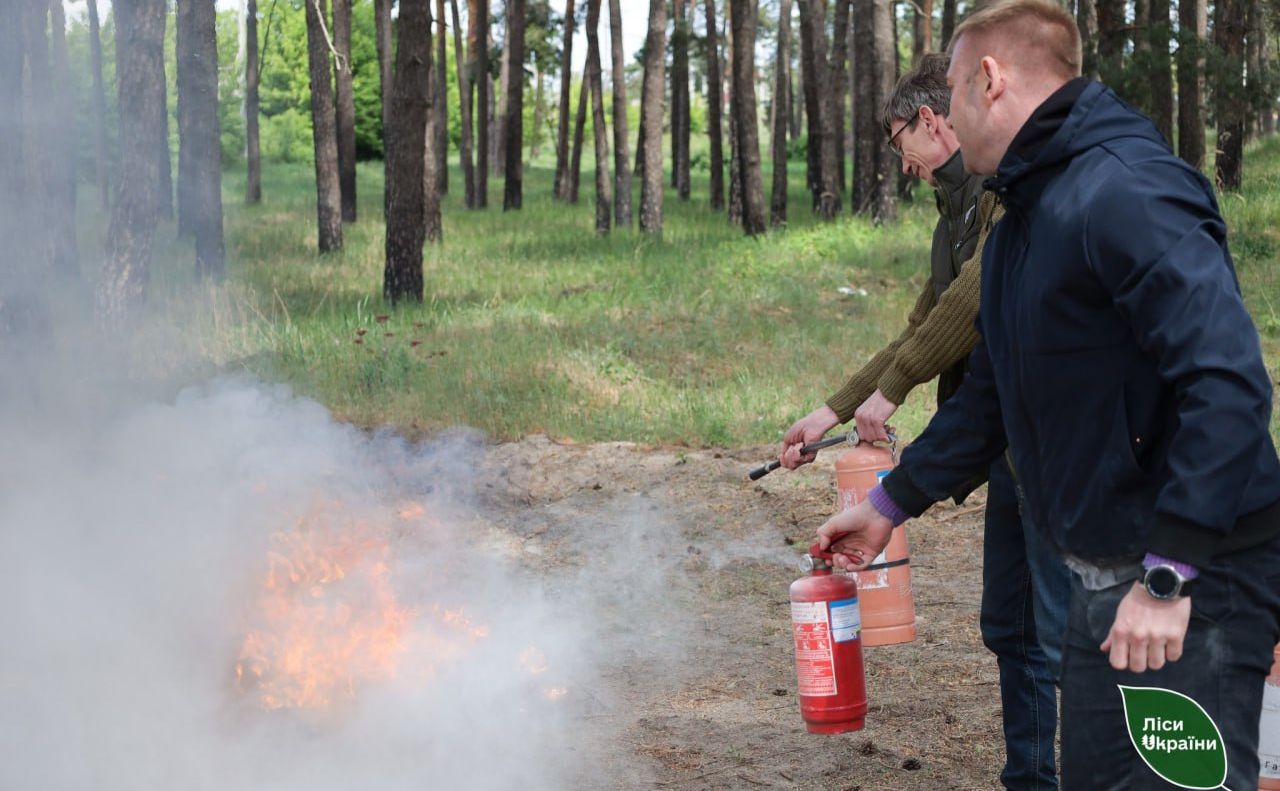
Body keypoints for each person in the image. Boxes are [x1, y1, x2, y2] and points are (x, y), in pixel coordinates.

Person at [816, 1, 1280, 788]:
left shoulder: (1126, 190)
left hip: (1192, 579)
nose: (951, 120)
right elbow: (993, 394)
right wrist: (890, 502)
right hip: (1102, 574)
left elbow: (1228, 383)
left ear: (989, 81)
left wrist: (1170, 574)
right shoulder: (1026, 215)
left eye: (956, 91)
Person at [779, 53, 1070, 790]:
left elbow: (974, 299)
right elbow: (923, 320)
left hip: (1060, 444)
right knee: (1011, 625)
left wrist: (899, 386)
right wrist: (835, 408)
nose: (901, 163)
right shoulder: (955, 211)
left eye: (897, 142)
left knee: (1073, 632)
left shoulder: (1008, 191)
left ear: (931, 121)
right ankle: (1030, 777)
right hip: (1005, 441)